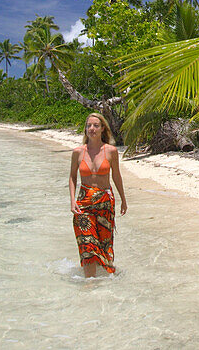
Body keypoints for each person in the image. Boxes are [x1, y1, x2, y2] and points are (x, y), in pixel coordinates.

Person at [69, 112, 127, 277]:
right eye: (89, 125)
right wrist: (72, 200)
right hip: (83, 203)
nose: (92, 129)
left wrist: (123, 199)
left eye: (95, 125)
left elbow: (116, 176)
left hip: (105, 202)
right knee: (87, 245)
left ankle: (106, 284)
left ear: (103, 129)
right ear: (85, 129)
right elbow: (72, 177)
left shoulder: (111, 151)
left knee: (104, 244)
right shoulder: (78, 152)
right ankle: (90, 285)